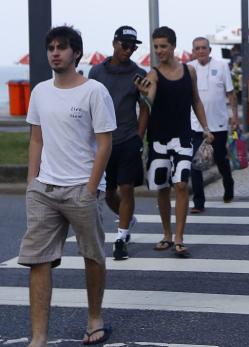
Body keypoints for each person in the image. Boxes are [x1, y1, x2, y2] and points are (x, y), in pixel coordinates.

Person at [19, 25, 116, 345]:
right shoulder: (40, 91)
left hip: (80, 190)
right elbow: (36, 138)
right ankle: (38, 338)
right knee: (38, 260)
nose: (55, 52)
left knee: (93, 256)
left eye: (62, 47)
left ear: (76, 53)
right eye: (51, 48)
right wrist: (32, 182)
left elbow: (105, 143)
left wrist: (90, 189)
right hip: (44, 190)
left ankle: (94, 318)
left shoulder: (94, 91)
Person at [135, 26, 214, 258]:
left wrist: (206, 128)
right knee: (162, 188)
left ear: (173, 46)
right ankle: (166, 234)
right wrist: (142, 96)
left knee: (181, 185)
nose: (159, 51)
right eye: (156, 46)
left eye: (163, 46)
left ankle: (179, 238)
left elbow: (196, 101)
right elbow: (147, 107)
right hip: (158, 139)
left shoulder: (189, 71)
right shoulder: (152, 75)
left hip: (183, 138)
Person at [89, 26, 147, 260]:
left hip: (127, 139)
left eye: (133, 46)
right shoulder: (96, 72)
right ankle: (128, 219)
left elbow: (145, 106)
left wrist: (139, 136)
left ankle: (121, 237)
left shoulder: (139, 72)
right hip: (103, 142)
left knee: (126, 188)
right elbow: (88, 104)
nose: (129, 49)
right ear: (114, 43)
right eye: (125, 44)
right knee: (109, 192)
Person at [188, 37, 238, 212]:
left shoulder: (222, 66)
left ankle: (228, 185)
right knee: (195, 164)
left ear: (210, 50)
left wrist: (235, 117)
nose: (201, 51)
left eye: (204, 48)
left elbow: (231, 94)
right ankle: (198, 203)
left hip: (218, 124)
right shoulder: (189, 67)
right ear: (193, 51)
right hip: (196, 125)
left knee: (220, 160)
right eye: (197, 48)